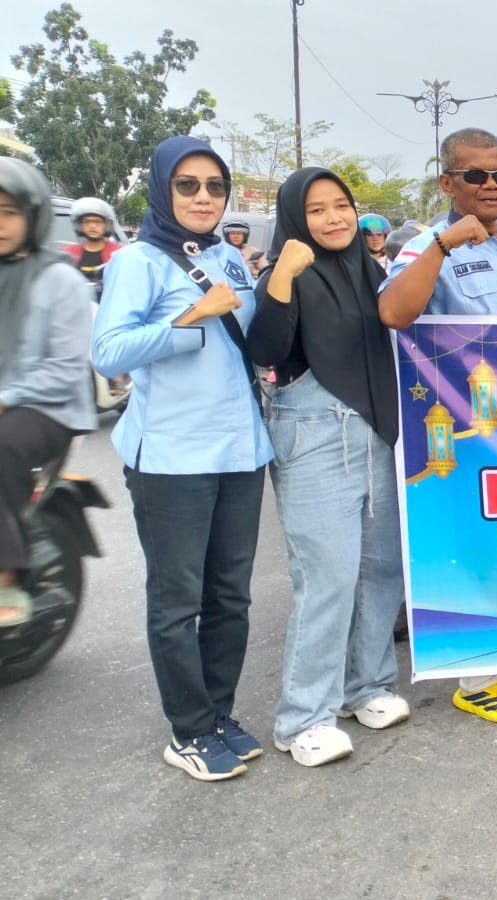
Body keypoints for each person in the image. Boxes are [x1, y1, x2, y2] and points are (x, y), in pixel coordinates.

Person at [93, 135, 273, 781]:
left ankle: (218, 714)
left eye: (214, 186)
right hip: (171, 456)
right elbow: (108, 353)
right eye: (187, 185)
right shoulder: (137, 261)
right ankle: (189, 729)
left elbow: (253, 339)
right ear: (163, 189)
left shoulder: (231, 258)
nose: (203, 198)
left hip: (241, 449)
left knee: (230, 596)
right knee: (177, 601)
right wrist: (192, 318)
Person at [379, 126, 497, 724]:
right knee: (469, 540)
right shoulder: (424, 245)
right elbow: (394, 311)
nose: (492, 185)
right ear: (447, 181)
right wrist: (443, 245)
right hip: (460, 424)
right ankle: (476, 675)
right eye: (476, 175)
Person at [246, 167, 409, 768]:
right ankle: (303, 717)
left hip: (377, 432)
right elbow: (266, 350)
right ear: (295, 218)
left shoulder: (371, 271)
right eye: (316, 210)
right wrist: (282, 276)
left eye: (341, 205)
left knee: (381, 570)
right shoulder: (286, 272)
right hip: (312, 433)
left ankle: (366, 686)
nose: (334, 218)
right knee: (328, 578)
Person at [0, 159, 97, 627]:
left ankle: (6, 577)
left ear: (33, 214)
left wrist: (5, 397)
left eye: (8, 212)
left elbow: (64, 370)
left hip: (49, 407)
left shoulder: (62, 281)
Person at [65, 197, 123, 296]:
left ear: (106, 225)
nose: (92, 226)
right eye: (87, 222)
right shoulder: (69, 254)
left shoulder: (118, 254)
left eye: (97, 222)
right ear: (80, 225)